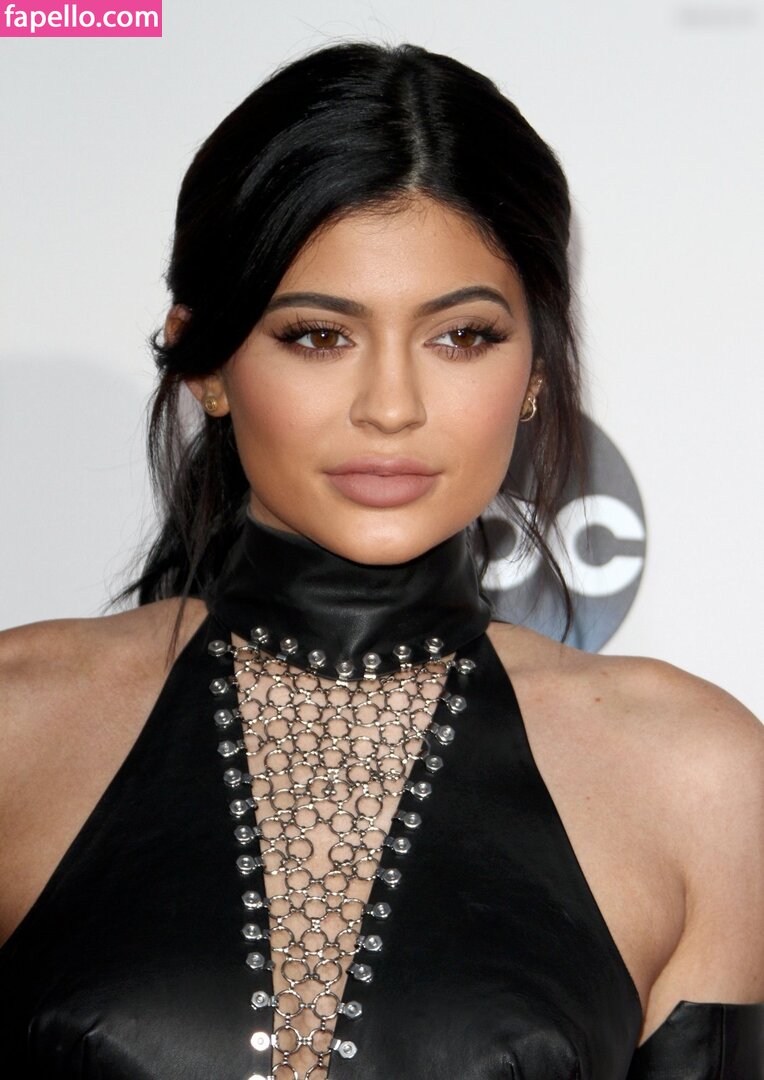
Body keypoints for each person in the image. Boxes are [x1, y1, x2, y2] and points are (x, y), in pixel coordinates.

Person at [0, 39, 762, 1080]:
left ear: (537, 367)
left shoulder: (696, 777)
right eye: (319, 335)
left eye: (461, 336)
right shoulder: (18, 722)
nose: (391, 407)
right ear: (206, 360)